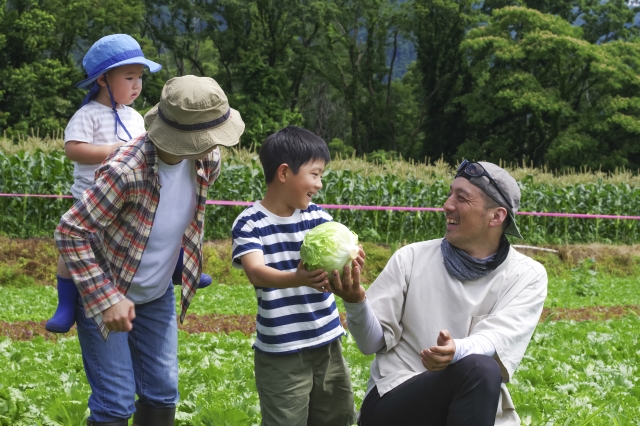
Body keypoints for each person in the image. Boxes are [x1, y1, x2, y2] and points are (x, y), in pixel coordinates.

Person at [55, 75, 245, 426]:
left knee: (162, 391)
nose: (218, 145)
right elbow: (71, 231)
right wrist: (107, 297)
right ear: (185, 137)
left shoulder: (207, 160)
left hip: (156, 294)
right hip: (108, 289)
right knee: (115, 402)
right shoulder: (127, 171)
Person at [330, 160, 548, 426]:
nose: (447, 205)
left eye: (462, 198)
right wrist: (355, 303)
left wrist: (456, 351)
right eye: (450, 193)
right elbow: (369, 344)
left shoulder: (526, 275)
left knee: (481, 368)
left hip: (469, 404)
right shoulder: (411, 258)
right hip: (394, 400)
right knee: (479, 369)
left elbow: (496, 339)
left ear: (496, 216)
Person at [46, 34, 212, 334]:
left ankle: (179, 269)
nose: (137, 85)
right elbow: (73, 149)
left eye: (139, 78)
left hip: (132, 195)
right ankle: (67, 304)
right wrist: (115, 152)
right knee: (70, 244)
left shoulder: (135, 117)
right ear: (102, 80)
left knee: (161, 226)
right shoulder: (88, 115)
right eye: (129, 77)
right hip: (92, 195)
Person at [231, 126, 363, 426]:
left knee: (337, 416)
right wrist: (297, 278)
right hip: (281, 351)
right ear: (283, 173)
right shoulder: (250, 223)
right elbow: (255, 272)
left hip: (327, 340)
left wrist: (349, 266)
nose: (319, 184)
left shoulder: (319, 218)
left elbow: (332, 273)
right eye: (315, 174)